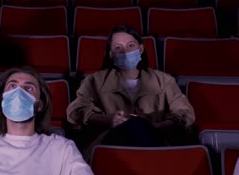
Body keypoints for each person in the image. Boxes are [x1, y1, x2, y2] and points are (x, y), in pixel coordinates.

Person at [67, 25, 196, 156]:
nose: (125, 52)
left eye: (130, 46)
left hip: (155, 141)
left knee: (138, 126)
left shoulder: (164, 80)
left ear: (140, 49)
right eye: (118, 48)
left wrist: (157, 127)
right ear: (111, 54)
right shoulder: (94, 80)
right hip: (110, 145)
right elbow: (75, 111)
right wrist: (107, 120)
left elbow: (184, 112)